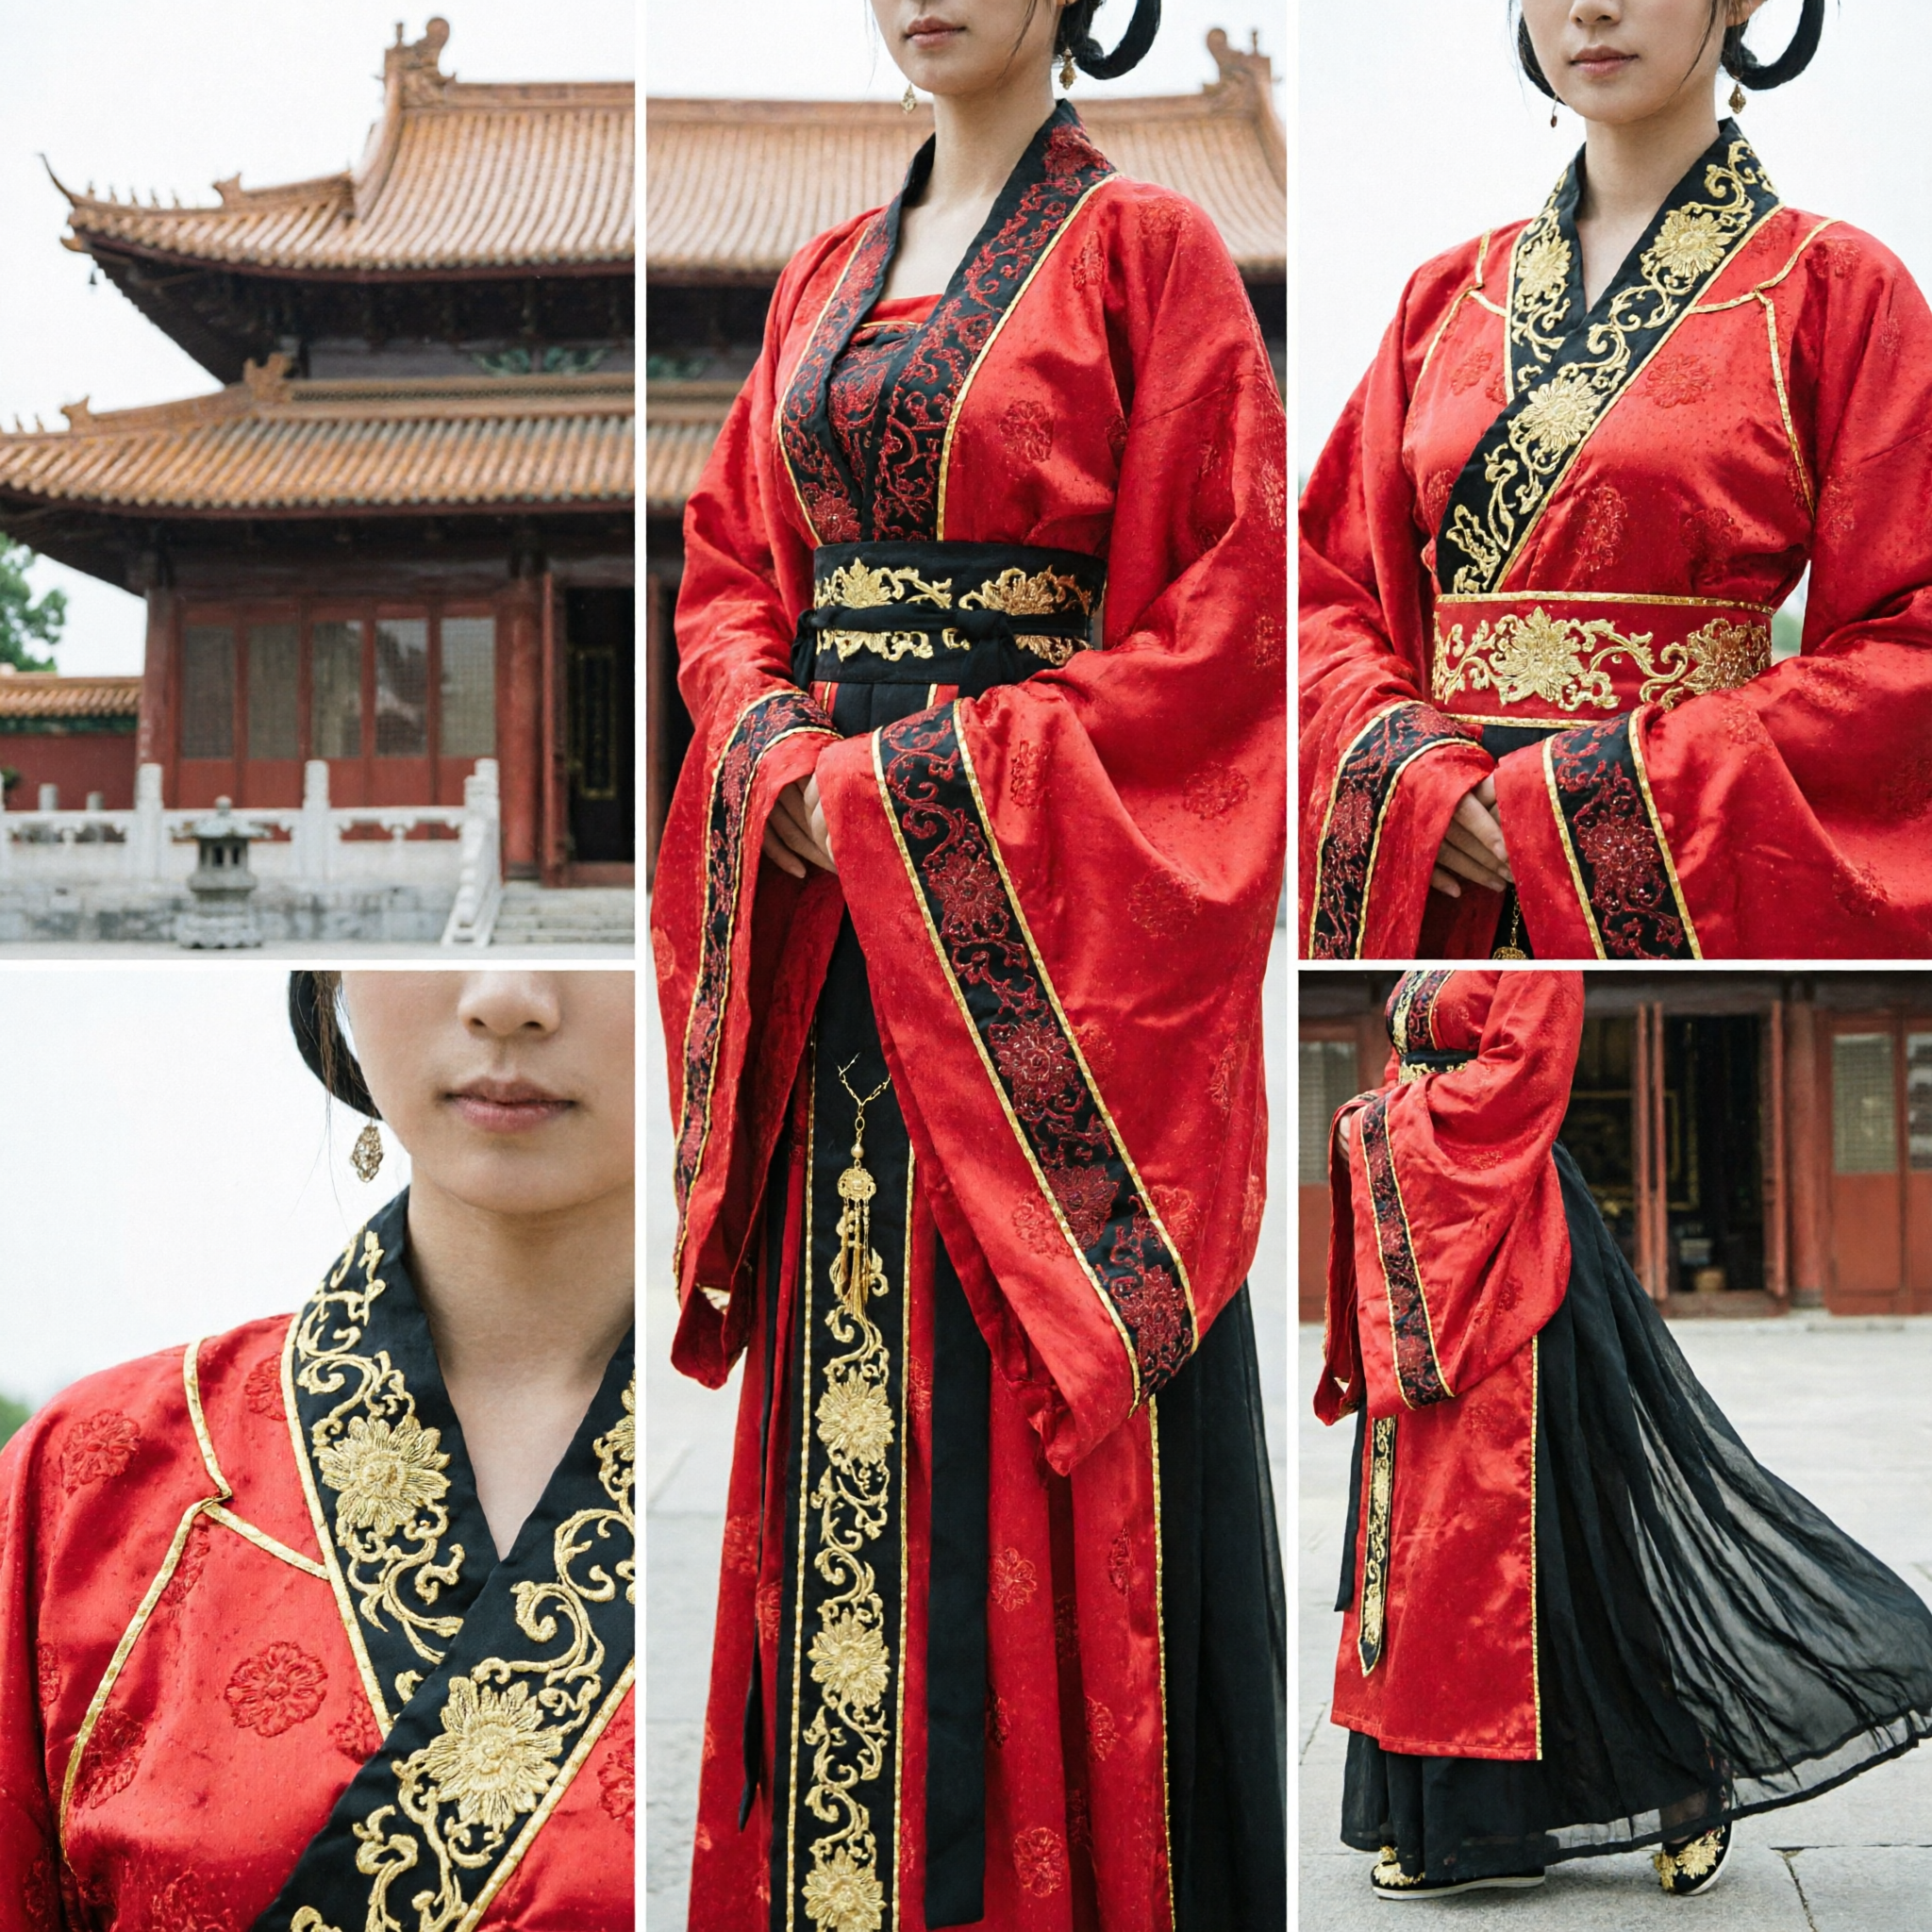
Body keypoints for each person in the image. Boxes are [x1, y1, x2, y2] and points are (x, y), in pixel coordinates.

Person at [650, 0, 1289, 1924]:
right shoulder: (820, 279)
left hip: (1040, 965)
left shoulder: (1148, 253)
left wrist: (911, 789)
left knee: (1030, 1430)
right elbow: (729, 579)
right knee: (857, 1423)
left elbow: (1222, 618)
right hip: (838, 934)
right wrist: (771, 765)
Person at [0, 971, 634, 1930]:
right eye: (440, 927)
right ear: (334, 966)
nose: (508, 997)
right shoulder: (93, 1477)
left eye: (592, 931)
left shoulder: (835, 1482)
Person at [1300, 0, 1932, 960]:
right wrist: (1405, 767)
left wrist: (1608, 790)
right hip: (1447, 861)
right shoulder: (1444, 301)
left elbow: (1909, 635)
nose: (1590, 7)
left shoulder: (1832, 290)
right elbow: (1318, 592)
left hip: (1677, 870)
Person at [1315, 968, 1932, 1899]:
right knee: (1418, 1545)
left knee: (1556, 1543)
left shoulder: (1540, 937)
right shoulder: (1428, 933)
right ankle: (1436, 1815)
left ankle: (1684, 1782)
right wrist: (1393, 1110)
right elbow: (1414, 1057)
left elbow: (1524, 1075)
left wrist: (1380, 1122)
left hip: (1510, 1253)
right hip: (1423, 1252)